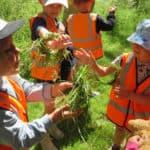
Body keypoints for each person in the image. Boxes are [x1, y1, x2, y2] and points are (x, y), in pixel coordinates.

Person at [0, 18, 82, 150]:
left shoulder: (6, 76)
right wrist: (52, 119)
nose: (18, 50)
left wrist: (53, 90)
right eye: (9, 50)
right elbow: (21, 137)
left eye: (13, 44)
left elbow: (25, 88)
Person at [75, 19, 150, 150]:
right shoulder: (124, 59)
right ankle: (115, 146)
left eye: (143, 45)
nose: (136, 46)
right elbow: (103, 72)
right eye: (135, 41)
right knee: (119, 130)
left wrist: (129, 95)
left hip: (140, 122)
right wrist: (93, 65)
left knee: (134, 140)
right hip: (121, 114)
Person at [29, 0, 75, 82]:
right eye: (51, 5)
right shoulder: (39, 20)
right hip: (43, 73)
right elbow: (41, 30)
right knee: (45, 93)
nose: (55, 9)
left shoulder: (57, 23)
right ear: (42, 3)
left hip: (54, 70)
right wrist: (50, 39)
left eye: (59, 6)